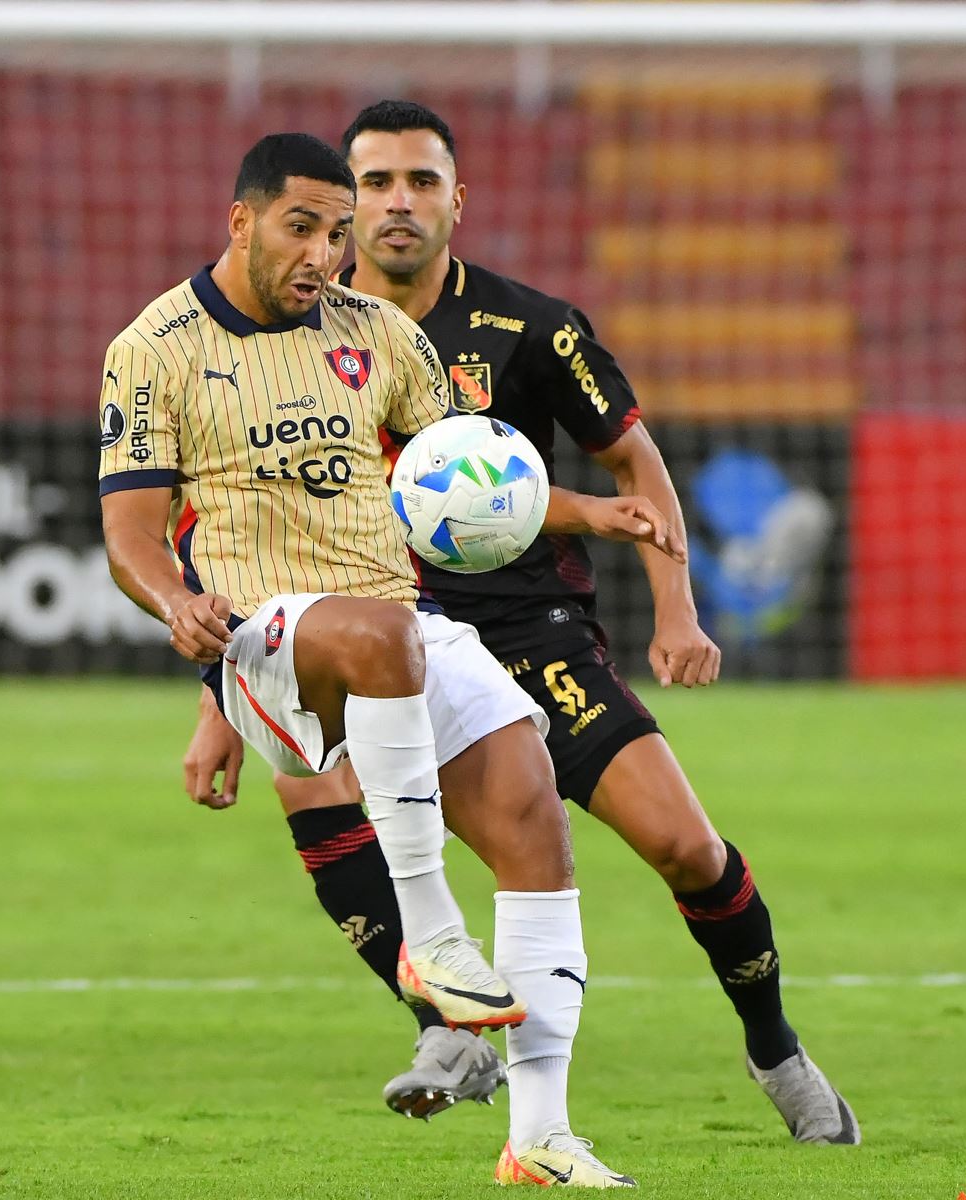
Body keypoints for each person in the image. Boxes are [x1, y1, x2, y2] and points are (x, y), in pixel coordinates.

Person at [181, 105, 860, 1158]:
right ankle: (451, 1029)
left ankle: (773, 1046)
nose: (398, 202)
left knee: (685, 845)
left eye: (421, 181)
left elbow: (634, 463)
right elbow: (259, 535)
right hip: (379, 633)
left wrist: (675, 609)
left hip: (533, 633)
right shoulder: (292, 350)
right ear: (340, 208)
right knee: (311, 784)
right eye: (374, 185)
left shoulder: (531, 327)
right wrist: (226, 705)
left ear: (459, 200)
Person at [101, 131, 639, 1187]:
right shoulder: (152, 346)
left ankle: (541, 1137)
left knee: (533, 813)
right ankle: (431, 940)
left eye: (338, 233)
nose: (324, 254)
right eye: (303, 228)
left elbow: (466, 474)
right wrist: (177, 604)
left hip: (395, 624)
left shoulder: (381, 333)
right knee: (382, 632)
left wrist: (571, 511)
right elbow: (128, 534)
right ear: (241, 221)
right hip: (260, 636)